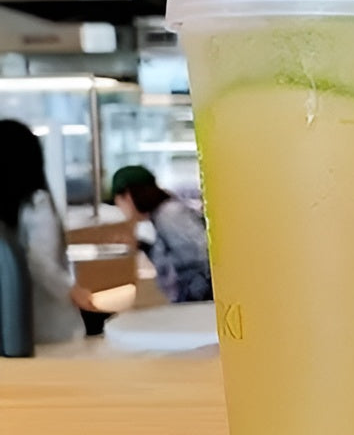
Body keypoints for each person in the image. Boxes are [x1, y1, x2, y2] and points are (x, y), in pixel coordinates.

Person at [0, 119, 94, 343]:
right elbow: (40, 262)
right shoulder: (37, 204)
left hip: (14, 324)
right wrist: (72, 290)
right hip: (53, 324)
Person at [111, 166, 213, 304]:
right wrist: (142, 245)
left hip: (201, 299)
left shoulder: (169, 215)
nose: (120, 209)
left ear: (128, 196)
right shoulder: (162, 215)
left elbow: (199, 256)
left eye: (118, 202)